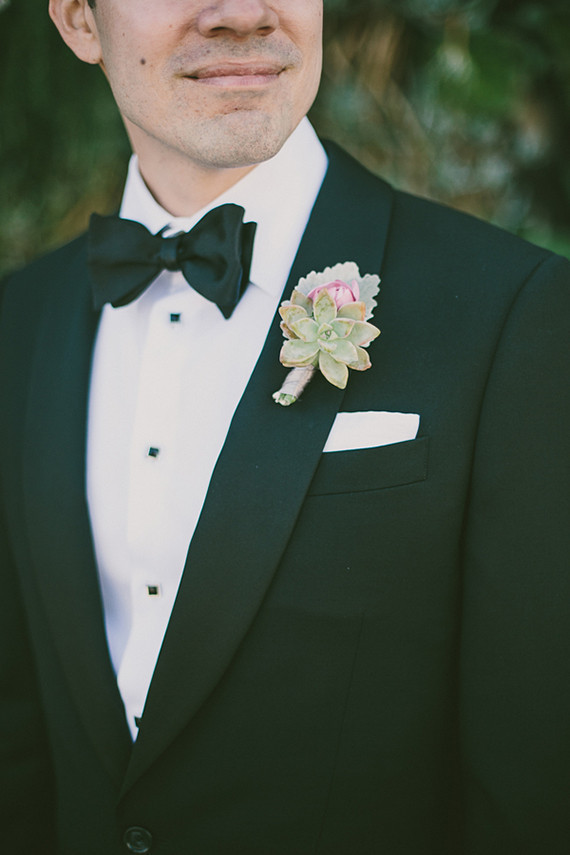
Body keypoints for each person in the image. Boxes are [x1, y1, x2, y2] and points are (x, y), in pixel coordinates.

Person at [1, 1, 569, 853]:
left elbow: (532, 786)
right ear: (80, 20)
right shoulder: (19, 322)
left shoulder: (510, 313)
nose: (241, 11)